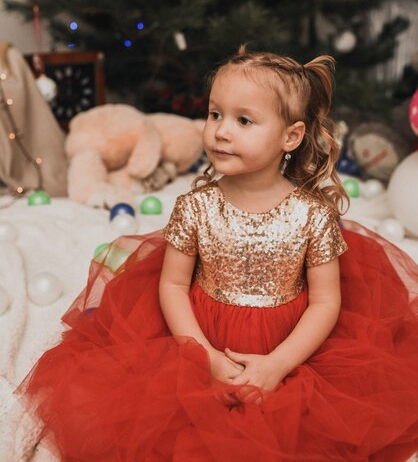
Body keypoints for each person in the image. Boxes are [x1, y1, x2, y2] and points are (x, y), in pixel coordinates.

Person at [18, 48, 418, 462]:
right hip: (199, 333)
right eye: (214, 114)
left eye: (243, 120)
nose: (221, 131)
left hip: (287, 341)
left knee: (291, 434)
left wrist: (278, 365)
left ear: (291, 137)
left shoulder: (311, 216)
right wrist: (202, 355)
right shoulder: (195, 206)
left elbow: (326, 300)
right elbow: (172, 285)